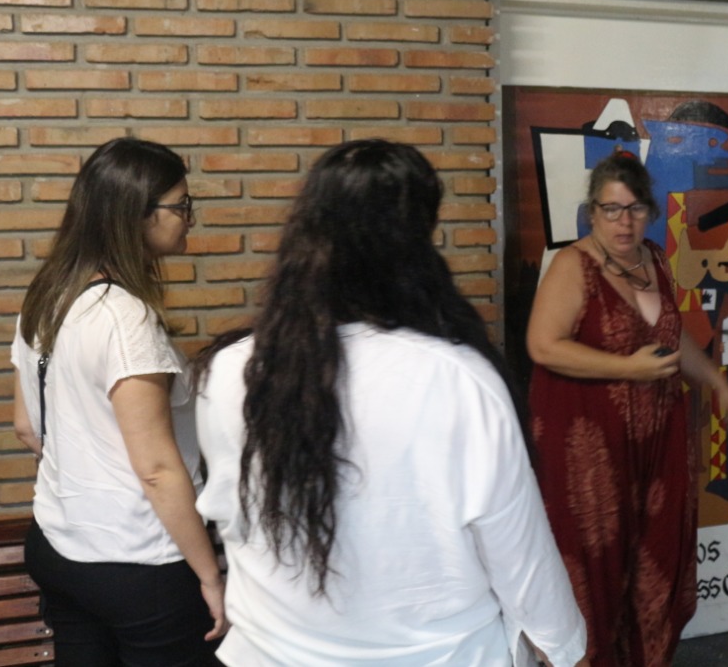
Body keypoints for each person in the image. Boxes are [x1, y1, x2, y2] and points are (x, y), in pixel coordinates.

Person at [193, 139, 588, 667]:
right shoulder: (456, 378)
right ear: (417, 243)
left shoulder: (231, 370)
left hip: (268, 653)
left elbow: (230, 516)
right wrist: (563, 645)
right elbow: (518, 552)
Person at [10, 137, 226, 666]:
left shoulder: (48, 295)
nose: (189, 218)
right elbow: (156, 469)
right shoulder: (125, 318)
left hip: (58, 544)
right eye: (181, 204)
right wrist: (209, 574)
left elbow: (26, 426)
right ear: (138, 214)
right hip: (138, 563)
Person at [526, 149, 728, 667]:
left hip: (656, 446)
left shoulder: (655, 259)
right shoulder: (572, 265)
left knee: (653, 563)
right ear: (592, 213)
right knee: (594, 572)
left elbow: (671, 337)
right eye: (611, 209)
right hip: (590, 456)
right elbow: (543, 346)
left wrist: (717, 382)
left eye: (634, 209)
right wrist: (629, 368)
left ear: (649, 211)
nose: (623, 222)